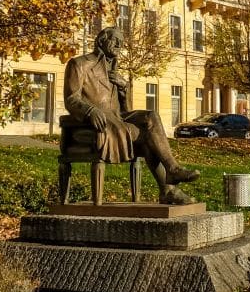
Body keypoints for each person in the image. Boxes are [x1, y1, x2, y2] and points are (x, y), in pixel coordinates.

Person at [64, 27, 200, 205]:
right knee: (147, 137)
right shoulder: (79, 64)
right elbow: (71, 99)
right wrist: (90, 111)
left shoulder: (113, 68)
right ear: (101, 41)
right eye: (114, 40)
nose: (119, 45)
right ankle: (167, 188)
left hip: (117, 117)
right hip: (95, 122)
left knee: (151, 116)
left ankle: (172, 170)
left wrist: (123, 88)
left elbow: (125, 109)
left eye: (121, 41)